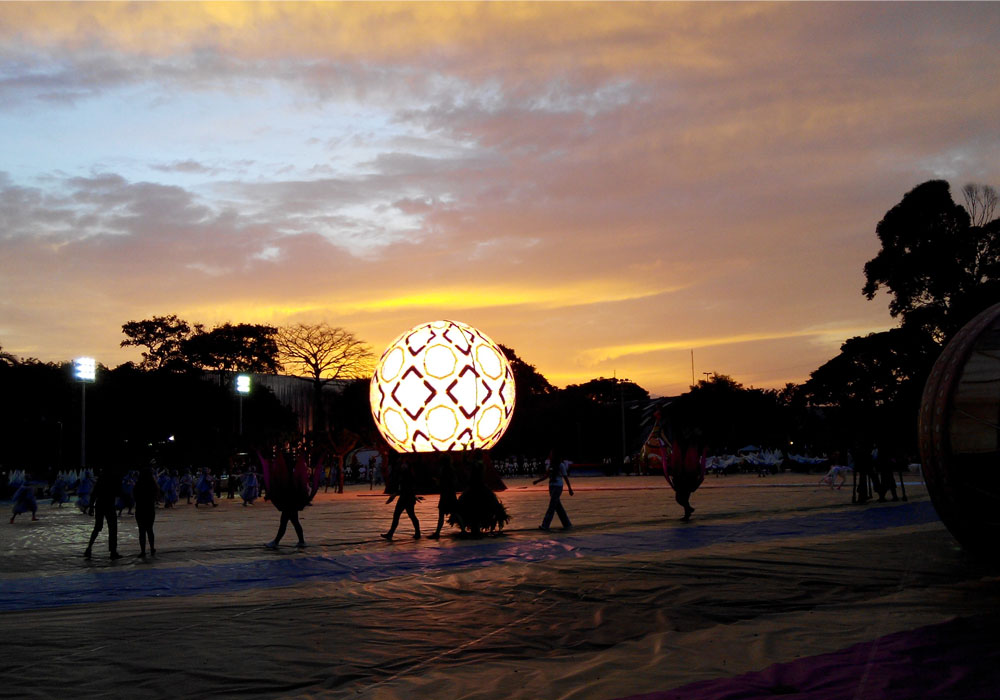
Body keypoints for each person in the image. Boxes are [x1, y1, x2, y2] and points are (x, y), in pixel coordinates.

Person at [263, 452, 309, 549]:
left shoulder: (288, 473)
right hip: (292, 502)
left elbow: (285, 486)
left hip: (290, 502)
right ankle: (301, 541)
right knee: (294, 522)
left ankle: (276, 542)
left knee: (285, 522)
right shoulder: (290, 472)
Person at [84, 467, 122, 560]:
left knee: (97, 527)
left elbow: (94, 494)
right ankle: (113, 551)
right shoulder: (113, 481)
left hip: (100, 505)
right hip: (109, 505)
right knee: (113, 528)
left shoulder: (100, 481)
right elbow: (118, 493)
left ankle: (89, 548)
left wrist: (91, 507)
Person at [381, 459, 421, 540]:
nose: (402, 465)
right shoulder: (404, 474)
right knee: (407, 515)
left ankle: (417, 532)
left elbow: (407, 488)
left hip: (406, 498)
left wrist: (395, 494)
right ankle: (391, 533)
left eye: (404, 464)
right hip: (406, 497)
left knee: (407, 515)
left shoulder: (408, 475)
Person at [534, 451, 573, 531]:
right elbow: (546, 476)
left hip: (557, 486)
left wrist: (569, 488)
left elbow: (565, 477)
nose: (549, 456)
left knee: (552, 506)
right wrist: (537, 481)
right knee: (558, 507)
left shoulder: (561, 465)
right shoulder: (551, 466)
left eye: (551, 455)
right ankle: (567, 523)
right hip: (551, 487)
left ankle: (545, 525)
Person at [428, 458, 460, 539]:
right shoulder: (451, 470)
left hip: (446, 495)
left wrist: (438, 482)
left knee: (442, 514)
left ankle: (437, 533)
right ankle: (463, 530)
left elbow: (443, 482)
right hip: (451, 494)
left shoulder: (444, 471)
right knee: (455, 512)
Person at [133, 464, 158, 558]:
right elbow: (156, 496)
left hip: (140, 509)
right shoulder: (153, 485)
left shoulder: (138, 484)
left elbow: (134, 496)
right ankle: (152, 548)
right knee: (150, 530)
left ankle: (143, 551)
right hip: (150, 509)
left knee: (141, 531)